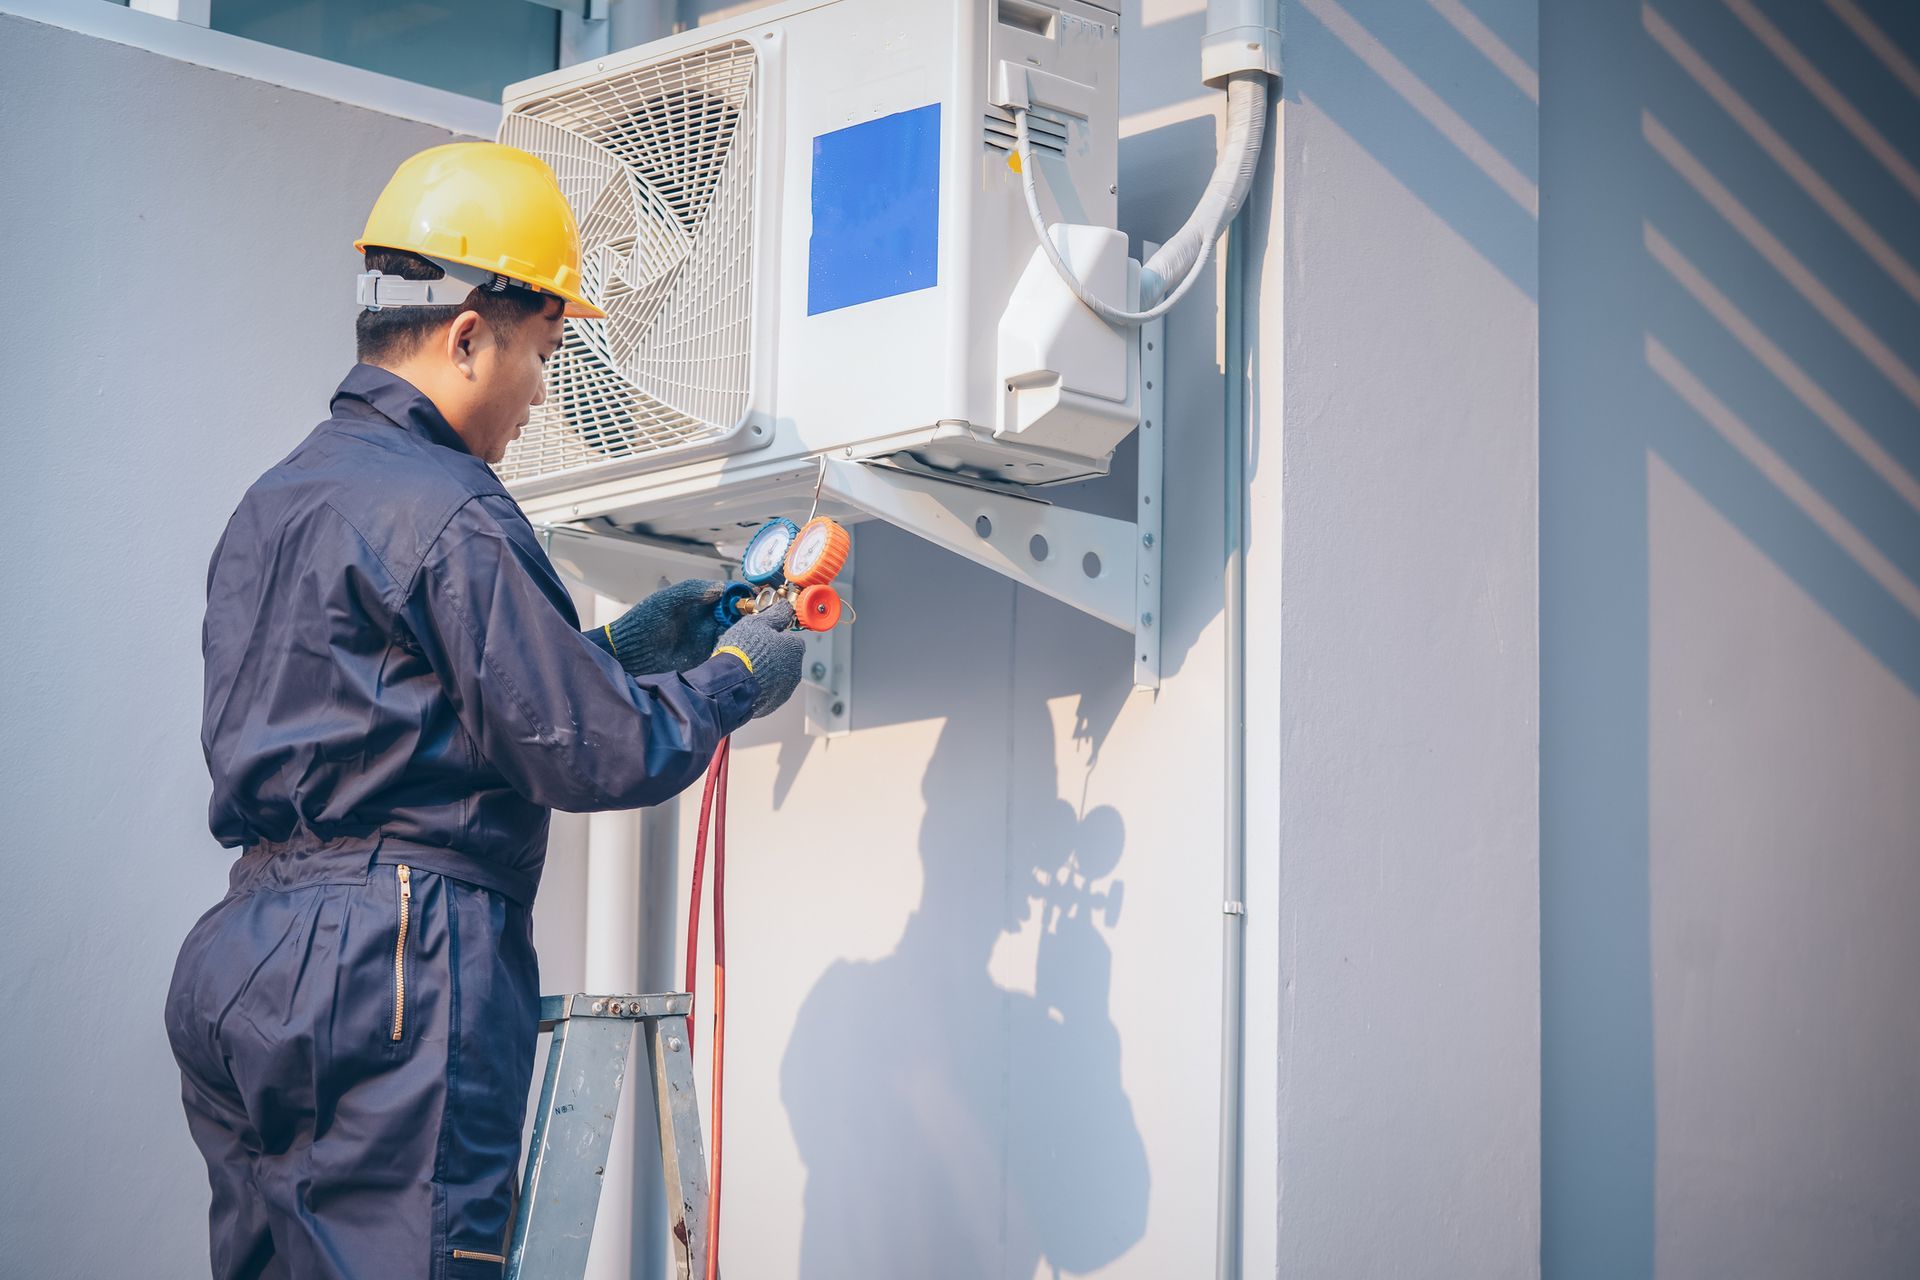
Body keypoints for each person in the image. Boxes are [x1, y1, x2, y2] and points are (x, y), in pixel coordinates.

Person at [163, 142, 805, 1280]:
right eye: (543, 350)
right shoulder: (453, 507)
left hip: (247, 954)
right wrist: (734, 676)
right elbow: (589, 747)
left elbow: (401, 714)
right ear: (469, 332)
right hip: (394, 956)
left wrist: (613, 646)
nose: (543, 391)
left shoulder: (275, 502)